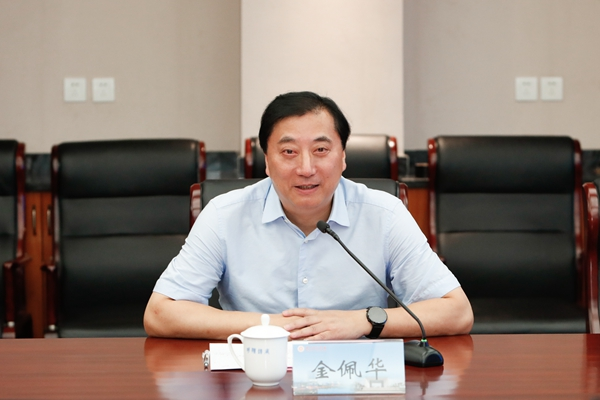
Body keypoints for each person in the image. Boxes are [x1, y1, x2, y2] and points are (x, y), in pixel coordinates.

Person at [144, 91, 473, 340]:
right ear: (267, 161)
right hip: (256, 376)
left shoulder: (384, 214)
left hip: (355, 379)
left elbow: (457, 311)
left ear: (343, 157)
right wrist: (270, 326)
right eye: (289, 152)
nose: (306, 168)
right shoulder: (224, 215)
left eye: (321, 150)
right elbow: (160, 314)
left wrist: (360, 321)